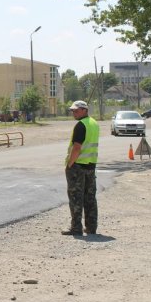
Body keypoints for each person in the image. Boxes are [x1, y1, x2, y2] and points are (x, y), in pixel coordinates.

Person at [63, 100, 99, 236]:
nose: (74, 113)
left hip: (78, 167)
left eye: (76, 110)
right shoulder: (94, 124)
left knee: (76, 197)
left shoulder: (80, 125)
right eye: (72, 110)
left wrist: (70, 164)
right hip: (91, 165)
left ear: (85, 110)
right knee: (90, 197)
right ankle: (91, 227)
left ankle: (76, 228)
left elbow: (77, 148)